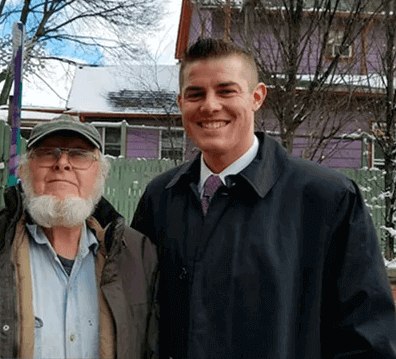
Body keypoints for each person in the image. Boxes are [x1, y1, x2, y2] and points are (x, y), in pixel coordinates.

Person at [131, 37, 396, 358]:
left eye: (226, 90)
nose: (210, 105)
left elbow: (368, 339)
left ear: (257, 97)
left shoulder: (327, 199)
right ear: (180, 103)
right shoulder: (161, 198)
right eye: (195, 94)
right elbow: (138, 314)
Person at [0, 116, 159, 358]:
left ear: (101, 174)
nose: (62, 163)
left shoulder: (137, 256)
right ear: (23, 170)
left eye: (79, 155)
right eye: (46, 153)